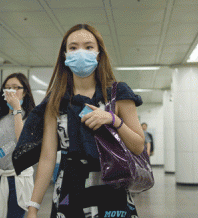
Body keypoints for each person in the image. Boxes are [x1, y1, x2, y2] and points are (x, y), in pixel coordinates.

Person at [21, 24, 145, 218]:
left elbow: (138, 146)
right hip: (70, 189)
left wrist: (113, 119)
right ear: (65, 55)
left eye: (88, 47)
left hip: (111, 185)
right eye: (73, 47)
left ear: (99, 53)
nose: (81, 52)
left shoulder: (117, 93)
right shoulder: (56, 100)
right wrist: (33, 206)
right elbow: (47, 157)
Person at [0, 73, 36, 218]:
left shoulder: (31, 116)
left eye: (15, 88)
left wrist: (16, 109)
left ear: (24, 91)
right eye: (7, 88)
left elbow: (21, 141)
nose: (10, 91)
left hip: (19, 178)